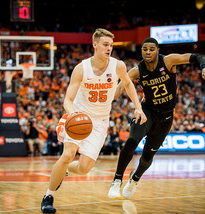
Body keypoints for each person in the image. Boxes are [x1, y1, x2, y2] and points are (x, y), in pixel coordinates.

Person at [41, 28, 147, 213]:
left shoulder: (118, 66)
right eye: (105, 45)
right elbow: (67, 100)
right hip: (79, 116)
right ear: (95, 45)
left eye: (111, 45)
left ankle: (63, 170)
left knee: (84, 168)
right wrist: (73, 114)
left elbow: (128, 85)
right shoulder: (82, 69)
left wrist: (137, 107)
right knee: (67, 155)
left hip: (100, 121)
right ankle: (48, 196)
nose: (109, 48)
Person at [108, 37, 205, 199]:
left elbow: (198, 56)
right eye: (145, 49)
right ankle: (117, 180)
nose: (148, 52)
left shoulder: (169, 61)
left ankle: (135, 179)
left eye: (152, 49)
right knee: (131, 141)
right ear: (142, 51)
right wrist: (107, 99)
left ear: (158, 50)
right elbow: (120, 88)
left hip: (166, 116)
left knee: (147, 157)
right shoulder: (137, 71)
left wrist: (204, 67)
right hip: (146, 112)